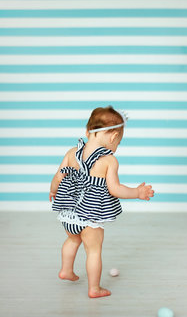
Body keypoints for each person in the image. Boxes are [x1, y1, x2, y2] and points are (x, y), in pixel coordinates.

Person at [49, 106, 154, 298]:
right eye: (119, 142)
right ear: (113, 138)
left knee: (72, 239)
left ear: (88, 131)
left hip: (68, 213)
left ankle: (66, 270)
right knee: (94, 250)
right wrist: (137, 192)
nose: (117, 146)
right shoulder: (108, 161)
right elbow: (116, 189)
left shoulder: (72, 152)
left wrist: (53, 190)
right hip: (90, 216)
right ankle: (94, 288)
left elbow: (58, 176)